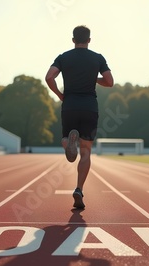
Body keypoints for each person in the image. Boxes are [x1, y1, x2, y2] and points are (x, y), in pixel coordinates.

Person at [45, 25, 114, 209]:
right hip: (90, 108)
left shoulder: (63, 57)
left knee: (66, 138)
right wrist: (94, 79)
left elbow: (49, 77)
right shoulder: (98, 58)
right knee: (86, 151)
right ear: (89, 40)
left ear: (73, 40)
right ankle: (79, 189)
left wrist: (60, 96)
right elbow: (110, 82)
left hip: (70, 106)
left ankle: (69, 145)